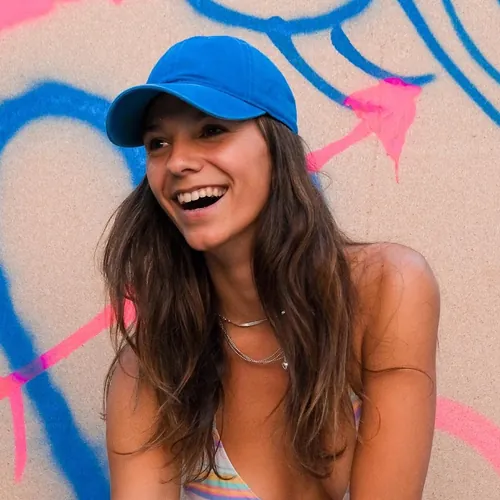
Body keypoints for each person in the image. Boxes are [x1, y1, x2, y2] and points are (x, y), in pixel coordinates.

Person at [101, 35, 440, 500]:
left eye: (211, 130)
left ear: (277, 149)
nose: (177, 162)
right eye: (157, 143)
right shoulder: (154, 367)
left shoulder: (385, 291)